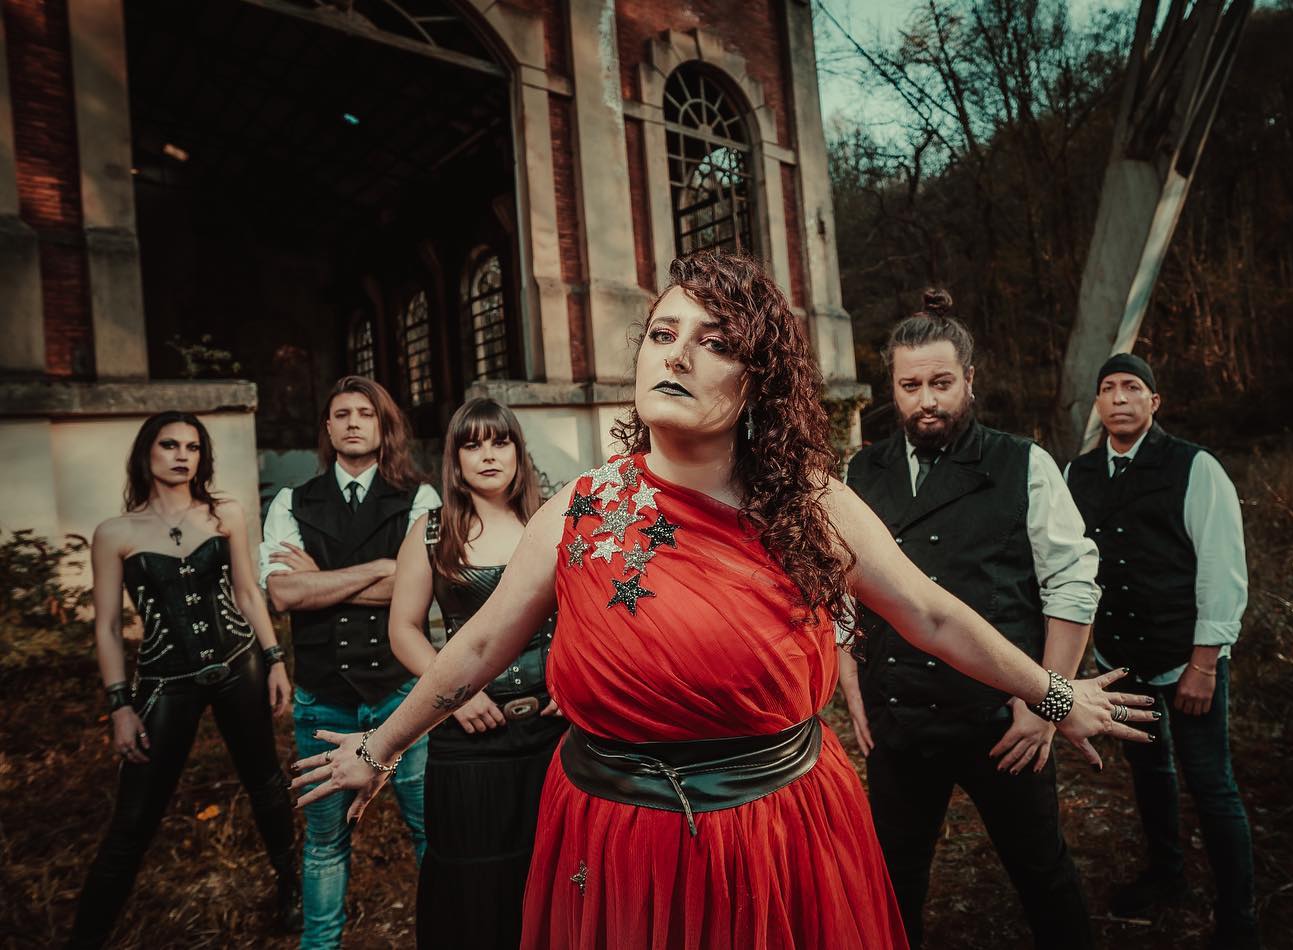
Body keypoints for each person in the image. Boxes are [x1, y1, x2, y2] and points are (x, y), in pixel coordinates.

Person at [292, 252, 1159, 949]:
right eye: (663, 332)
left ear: (758, 381)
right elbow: (479, 644)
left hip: (773, 831)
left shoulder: (810, 506)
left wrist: (1053, 693)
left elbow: (931, 614)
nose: (675, 354)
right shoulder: (582, 508)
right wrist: (381, 744)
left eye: (714, 342)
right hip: (614, 835)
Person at [838, 290, 1100, 949]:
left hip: (1004, 720)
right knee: (893, 882)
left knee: (1043, 874)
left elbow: (1072, 584)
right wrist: (850, 683)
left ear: (970, 380)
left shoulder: (1023, 464)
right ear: (892, 388)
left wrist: (1046, 701)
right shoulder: (859, 472)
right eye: (910, 386)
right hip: (900, 720)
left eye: (941, 383)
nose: (926, 400)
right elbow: (839, 586)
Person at [69, 411, 299, 948]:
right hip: (165, 679)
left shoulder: (225, 514)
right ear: (146, 453)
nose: (181, 456)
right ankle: (86, 936)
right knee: (134, 817)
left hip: (237, 662)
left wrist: (274, 659)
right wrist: (120, 705)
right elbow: (107, 627)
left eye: (192, 447)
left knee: (265, 782)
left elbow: (247, 593)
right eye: (169, 445)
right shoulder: (115, 533)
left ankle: (292, 890)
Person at [1064, 353, 1258, 950]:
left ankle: (1239, 918)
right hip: (1120, 658)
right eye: (1108, 388)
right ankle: (1167, 875)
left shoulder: (1195, 467)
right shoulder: (1077, 473)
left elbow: (1223, 570)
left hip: (1187, 658)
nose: (1119, 397)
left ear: (1154, 402)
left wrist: (1204, 664)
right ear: (1098, 404)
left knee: (1212, 784)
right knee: (1148, 772)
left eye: (1132, 387)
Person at [260, 376, 439, 950]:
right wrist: (383, 570)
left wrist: (322, 580)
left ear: (384, 426)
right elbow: (283, 594)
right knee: (324, 841)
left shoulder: (421, 499)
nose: (354, 422)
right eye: (342, 413)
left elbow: (420, 591)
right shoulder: (292, 501)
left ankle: (449, 932)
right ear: (328, 428)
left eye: (366, 412)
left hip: (400, 694)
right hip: (322, 697)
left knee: (429, 830)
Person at [388, 398, 567, 949]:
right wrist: (457, 696)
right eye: (473, 445)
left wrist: (572, 681)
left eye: (500, 441)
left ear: (518, 451)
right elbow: (404, 630)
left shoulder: (552, 522)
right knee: (474, 885)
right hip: (468, 739)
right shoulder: (430, 531)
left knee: (554, 876)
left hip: (554, 733)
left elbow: (586, 617)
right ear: (455, 459)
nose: (488, 455)